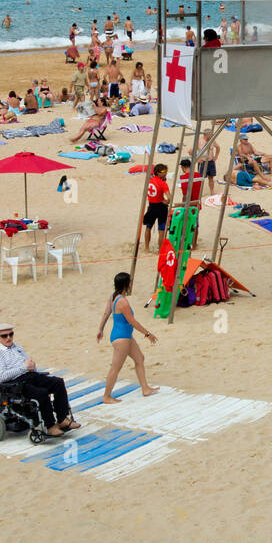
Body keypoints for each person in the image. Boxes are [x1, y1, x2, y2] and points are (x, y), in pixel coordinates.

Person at [0, 322, 80, 437]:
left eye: (11, 334)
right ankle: (50, 426)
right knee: (42, 393)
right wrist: (23, 368)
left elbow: (29, 364)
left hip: (29, 375)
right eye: (4, 336)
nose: (9, 338)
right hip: (15, 384)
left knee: (58, 382)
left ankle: (62, 419)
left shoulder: (17, 347)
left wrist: (32, 366)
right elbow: (1, 377)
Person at [96, 272, 159, 403]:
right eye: (130, 282)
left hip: (124, 336)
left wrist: (100, 329)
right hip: (121, 338)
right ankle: (106, 396)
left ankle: (145, 388)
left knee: (139, 358)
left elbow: (106, 313)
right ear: (126, 284)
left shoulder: (113, 297)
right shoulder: (123, 302)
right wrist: (148, 334)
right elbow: (132, 321)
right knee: (115, 368)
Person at [142, 165, 169, 252]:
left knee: (148, 227)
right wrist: (166, 201)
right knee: (161, 230)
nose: (166, 173)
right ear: (158, 172)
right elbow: (169, 197)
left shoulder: (149, 180)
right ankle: (160, 250)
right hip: (161, 207)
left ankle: (146, 248)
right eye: (164, 172)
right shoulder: (163, 183)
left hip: (152, 206)